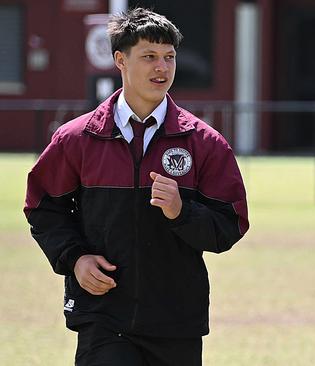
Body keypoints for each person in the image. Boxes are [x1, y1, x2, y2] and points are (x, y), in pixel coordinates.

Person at [24, 8, 248, 366]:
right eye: (149, 56)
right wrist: (75, 258)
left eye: (169, 57)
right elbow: (42, 207)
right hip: (103, 317)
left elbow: (229, 227)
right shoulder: (76, 139)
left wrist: (181, 212)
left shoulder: (205, 143)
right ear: (120, 60)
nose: (162, 67)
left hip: (177, 321)